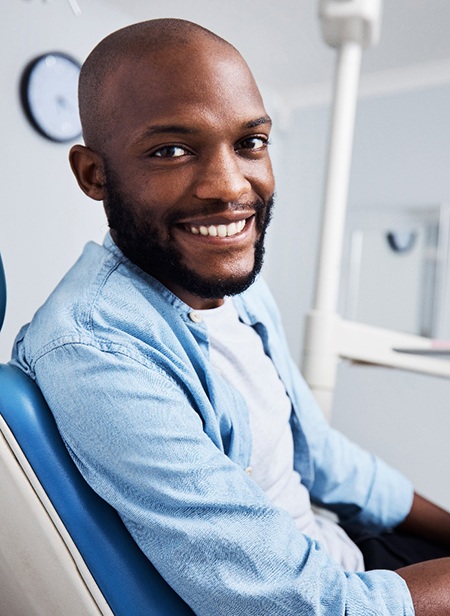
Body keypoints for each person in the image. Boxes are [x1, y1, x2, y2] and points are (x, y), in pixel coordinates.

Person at [11, 18, 450, 615]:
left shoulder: (233, 283)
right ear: (95, 174)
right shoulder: (95, 351)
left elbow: (319, 454)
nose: (228, 186)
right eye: (170, 150)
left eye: (251, 143)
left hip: (349, 555)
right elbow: (305, 607)